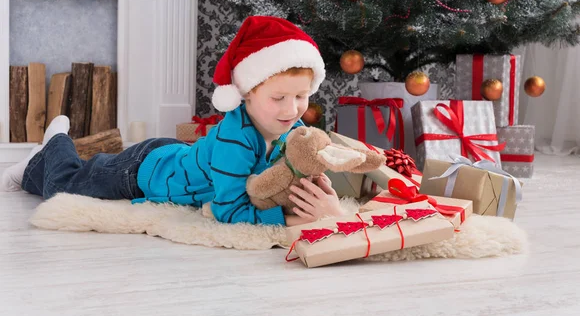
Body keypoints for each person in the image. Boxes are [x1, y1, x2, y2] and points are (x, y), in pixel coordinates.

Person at [0, 16, 345, 227]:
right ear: (247, 94)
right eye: (279, 98)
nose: (293, 109)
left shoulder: (295, 131)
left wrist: (325, 201)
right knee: (67, 184)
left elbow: (301, 173)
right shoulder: (236, 138)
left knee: (83, 173)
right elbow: (229, 211)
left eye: (302, 96)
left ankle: (42, 158)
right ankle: (52, 147)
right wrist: (295, 217)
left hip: (180, 157)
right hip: (143, 173)